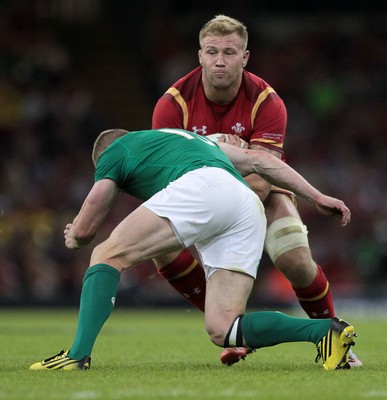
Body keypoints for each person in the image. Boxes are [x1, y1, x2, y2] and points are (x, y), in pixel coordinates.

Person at [29, 128, 356, 371]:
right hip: (245, 206)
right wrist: (317, 197)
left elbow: (86, 227)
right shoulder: (193, 140)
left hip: (204, 188)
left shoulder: (115, 150)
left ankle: (76, 356)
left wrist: (75, 236)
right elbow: (260, 160)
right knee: (224, 328)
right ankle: (325, 330)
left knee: (106, 253)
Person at [151, 14, 362, 367]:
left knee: (294, 259)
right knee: (161, 250)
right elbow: (166, 182)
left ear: (245, 57)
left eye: (230, 52)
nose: (220, 60)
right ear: (199, 55)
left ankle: (334, 338)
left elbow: (262, 180)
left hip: (264, 192)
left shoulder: (266, 101)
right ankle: (236, 329)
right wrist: (235, 157)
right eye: (212, 51)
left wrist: (212, 155)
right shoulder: (172, 105)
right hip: (202, 195)